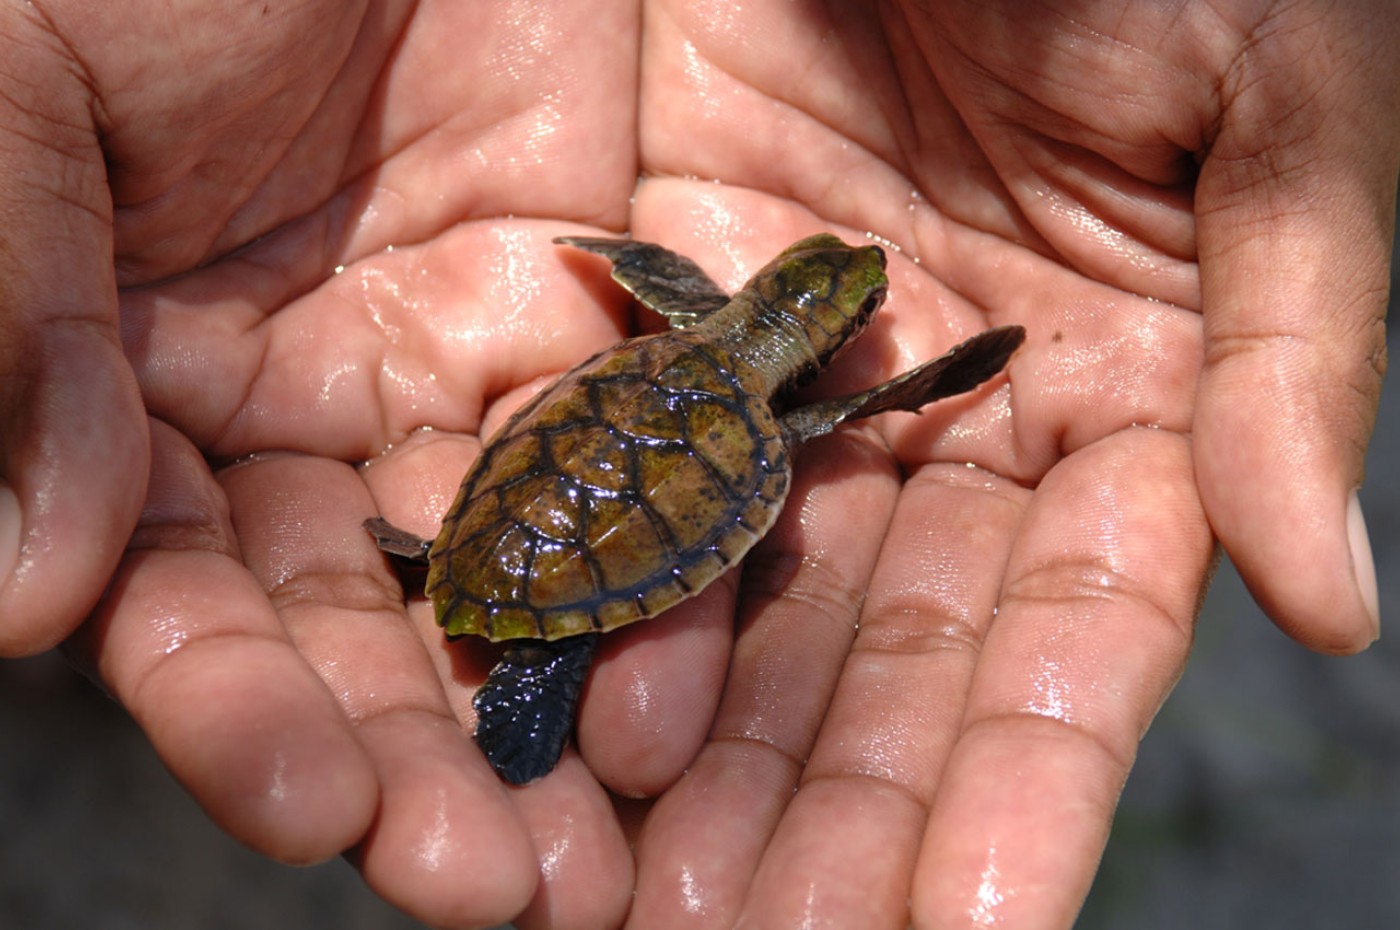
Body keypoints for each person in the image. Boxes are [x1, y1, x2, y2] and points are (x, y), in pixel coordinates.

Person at [0, 2, 1394, 927]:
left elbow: (653, 284)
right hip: (648, 478)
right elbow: (875, 406)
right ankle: (518, 659)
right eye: (845, 303)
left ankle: (452, 575)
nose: (857, 306)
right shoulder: (775, 426)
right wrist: (959, 375)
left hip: (557, 473)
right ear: (811, 336)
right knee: (518, 677)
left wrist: (610, 260)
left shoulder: (678, 328)